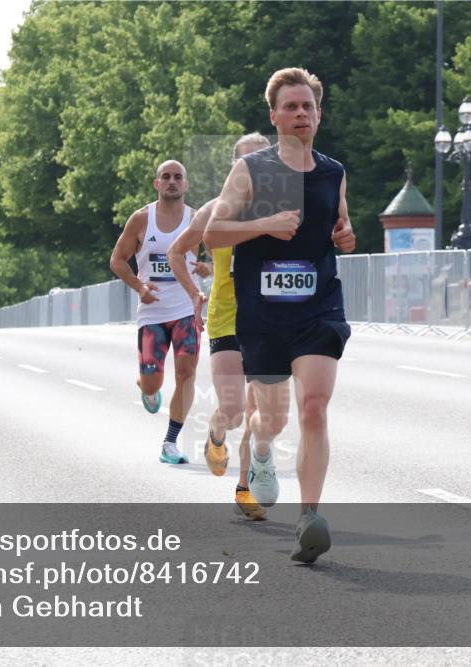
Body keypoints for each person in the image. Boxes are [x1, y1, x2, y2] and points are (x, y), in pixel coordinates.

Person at [204, 67, 356, 563]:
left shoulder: (334, 172)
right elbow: (214, 233)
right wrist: (266, 223)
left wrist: (346, 238)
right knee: (272, 416)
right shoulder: (251, 171)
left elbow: (341, 224)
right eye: (290, 107)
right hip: (263, 314)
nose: (300, 114)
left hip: (318, 306)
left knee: (314, 405)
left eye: (307, 106)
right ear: (274, 116)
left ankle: (310, 515)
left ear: (319, 114)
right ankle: (261, 447)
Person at [167, 132, 272, 521]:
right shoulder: (213, 210)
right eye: (247, 161)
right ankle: (216, 431)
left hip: (268, 321)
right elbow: (177, 252)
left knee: (259, 408)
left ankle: (244, 488)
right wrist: (195, 293)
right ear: (234, 167)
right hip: (228, 317)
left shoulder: (280, 209)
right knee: (232, 410)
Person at [109, 160, 211, 465]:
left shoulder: (196, 220)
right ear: (157, 184)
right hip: (152, 314)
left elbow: (216, 255)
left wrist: (209, 267)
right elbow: (117, 260)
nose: (172, 181)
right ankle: (147, 387)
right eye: (165, 177)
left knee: (187, 373)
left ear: (186, 184)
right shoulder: (141, 220)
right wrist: (140, 287)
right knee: (153, 382)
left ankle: (170, 442)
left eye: (178, 177)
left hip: (185, 310)